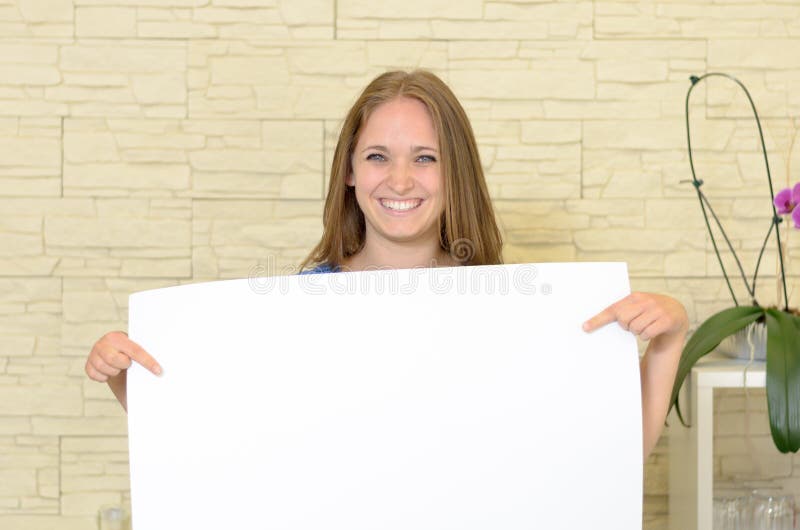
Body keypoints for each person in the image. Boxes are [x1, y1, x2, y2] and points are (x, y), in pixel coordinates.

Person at [85, 69, 688, 460]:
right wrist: (125, 376)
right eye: (378, 156)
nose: (400, 180)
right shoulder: (301, 306)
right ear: (350, 173)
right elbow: (222, 443)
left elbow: (610, 454)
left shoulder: (514, 307)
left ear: (457, 173)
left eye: (425, 158)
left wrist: (668, 341)